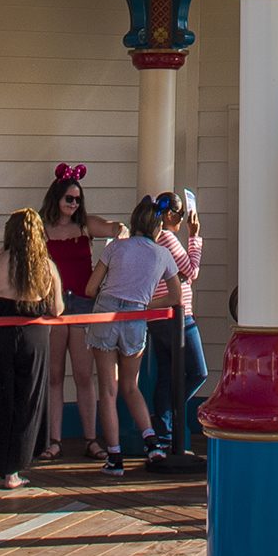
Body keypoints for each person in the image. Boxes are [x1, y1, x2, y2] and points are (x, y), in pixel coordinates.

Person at [85, 200, 182, 476]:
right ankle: (152, 443)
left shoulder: (116, 247)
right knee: (130, 386)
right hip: (136, 318)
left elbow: (91, 288)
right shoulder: (163, 254)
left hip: (106, 314)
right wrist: (144, 304)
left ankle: (114, 457)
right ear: (157, 226)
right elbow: (175, 297)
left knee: (108, 390)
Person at [0, 210, 63, 488]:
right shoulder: (46, 267)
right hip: (33, 340)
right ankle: (12, 471)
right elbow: (57, 309)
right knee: (26, 403)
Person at [40, 167, 120, 458]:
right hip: (54, 305)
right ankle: (54, 440)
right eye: (68, 199)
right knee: (55, 375)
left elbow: (115, 229)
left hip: (84, 305)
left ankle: (90, 439)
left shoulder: (86, 225)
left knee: (85, 376)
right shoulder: (42, 228)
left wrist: (119, 248)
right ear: (56, 198)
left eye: (77, 199)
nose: (73, 204)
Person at [148, 189, 205, 449]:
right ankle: (168, 417)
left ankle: (164, 431)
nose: (183, 219)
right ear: (169, 214)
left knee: (166, 373)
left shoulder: (153, 237)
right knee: (197, 371)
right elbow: (191, 270)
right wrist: (194, 237)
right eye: (180, 214)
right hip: (177, 315)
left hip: (157, 317)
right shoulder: (168, 238)